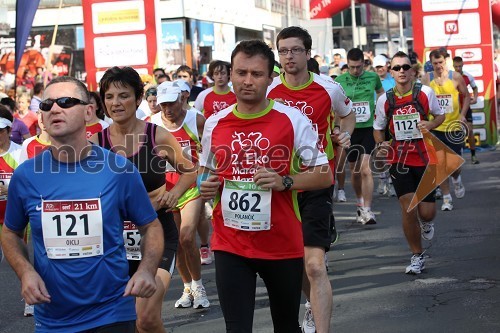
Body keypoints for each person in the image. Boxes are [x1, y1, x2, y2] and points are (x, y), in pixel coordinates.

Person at [1, 76, 164, 332]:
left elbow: (151, 226)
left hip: (112, 311)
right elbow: (10, 232)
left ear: (89, 111)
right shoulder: (26, 175)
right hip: (52, 317)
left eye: (65, 102)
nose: (54, 109)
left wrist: (146, 269)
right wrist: (25, 272)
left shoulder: (118, 170)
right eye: (46, 105)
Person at [199, 39, 333, 332]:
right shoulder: (215, 122)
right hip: (230, 242)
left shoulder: (291, 119)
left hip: (281, 243)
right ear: (230, 74)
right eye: (241, 73)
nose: (247, 81)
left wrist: (285, 181)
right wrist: (206, 186)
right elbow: (205, 172)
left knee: (286, 326)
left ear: (270, 78)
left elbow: (324, 174)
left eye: (256, 74)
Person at [91, 66, 196, 333]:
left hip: (157, 236)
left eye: (124, 95)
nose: (116, 103)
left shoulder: (156, 135)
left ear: (138, 99)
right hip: (113, 243)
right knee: (125, 320)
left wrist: (172, 195)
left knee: (146, 317)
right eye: (110, 96)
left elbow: (190, 171)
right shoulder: (94, 144)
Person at [267, 26, 354, 333]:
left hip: (316, 180)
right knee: (295, 262)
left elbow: (348, 113)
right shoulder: (269, 90)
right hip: (278, 185)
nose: (289, 56)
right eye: (283, 51)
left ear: (307, 53)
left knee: (314, 264)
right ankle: (310, 303)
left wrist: (345, 133)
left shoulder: (328, 87)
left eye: (295, 50)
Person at [374, 51, 445, 274]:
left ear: (412, 70)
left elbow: (440, 115)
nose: (402, 71)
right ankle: (416, 255)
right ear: (391, 72)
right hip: (399, 158)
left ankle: (427, 222)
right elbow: (377, 129)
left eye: (406, 67)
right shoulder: (384, 99)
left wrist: (430, 125)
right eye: (397, 68)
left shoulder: (426, 93)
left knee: (427, 212)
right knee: (407, 207)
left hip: (425, 155)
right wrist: (382, 143)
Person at [150, 81, 210, 309]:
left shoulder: (195, 119)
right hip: (165, 190)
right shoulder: (152, 124)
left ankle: (199, 285)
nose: (167, 109)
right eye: (162, 104)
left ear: (181, 99)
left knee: (187, 237)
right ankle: (187, 288)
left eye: (171, 104)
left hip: (190, 186)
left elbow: (210, 152)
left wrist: (206, 179)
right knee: (175, 242)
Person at [335, 48, 384, 223]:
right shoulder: (339, 81)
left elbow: (380, 93)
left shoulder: (372, 77)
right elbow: (335, 105)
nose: (355, 71)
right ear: (347, 65)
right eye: (352, 67)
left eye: (358, 67)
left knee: (366, 169)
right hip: (350, 130)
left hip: (368, 128)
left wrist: (379, 110)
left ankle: (368, 210)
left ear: (364, 63)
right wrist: (336, 126)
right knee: (355, 172)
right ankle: (360, 202)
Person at [421, 49, 470, 211]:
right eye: (435, 63)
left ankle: (457, 179)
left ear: (446, 61)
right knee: (440, 164)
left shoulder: (455, 77)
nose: (438, 66)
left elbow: (467, 96)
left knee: (454, 165)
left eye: (441, 62)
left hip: (453, 126)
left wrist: (462, 115)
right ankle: (447, 199)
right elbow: (421, 101)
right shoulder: (427, 79)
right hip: (435, 127)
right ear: (431, 63)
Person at [0, 107, 24, 313]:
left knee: (23, 261)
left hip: (17, 219)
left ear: (9, 130)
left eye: (0, 130)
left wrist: (8, 188)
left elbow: (27, 186)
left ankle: (31, 301)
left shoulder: (20, 152)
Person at [373, 54, 397, 197]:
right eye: (377, 67)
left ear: (387, 66)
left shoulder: (393, 80)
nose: (380, 69)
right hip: (376, 120)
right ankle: (382, 178)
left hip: (392, 120)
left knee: (392, 150)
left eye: (382, 66)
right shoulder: (371, 81)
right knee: (379, 150)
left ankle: (393, 181)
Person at [452, 56, 480, 164]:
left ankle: (473, 156)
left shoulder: (468, 76)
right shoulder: (450, 76)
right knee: (455, 132)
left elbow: (475, 88)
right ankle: (456, 157)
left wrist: (476, 98)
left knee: (469, 130)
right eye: (456, 66)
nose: (458, 68)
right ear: (453, 66)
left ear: (463, 65)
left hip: (466, 107)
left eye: (460, 66)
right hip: (454, 108)